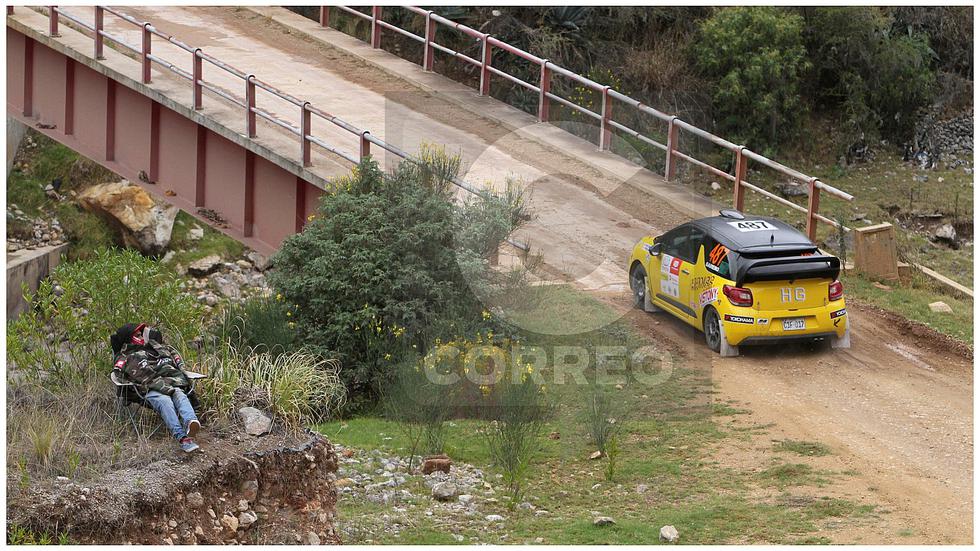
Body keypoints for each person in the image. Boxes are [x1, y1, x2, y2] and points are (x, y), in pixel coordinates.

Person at [111, 323, 202, 453]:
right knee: (164, 400)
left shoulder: (154, 348)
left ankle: (190, 422)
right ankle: (182, 438)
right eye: (137, 335)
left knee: (179, 394)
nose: (141, 336)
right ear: (129, 338)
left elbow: (171, 363)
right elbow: (122, 373)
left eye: (141, 334)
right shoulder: (125, 356)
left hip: (169, 382)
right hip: (147, 388)